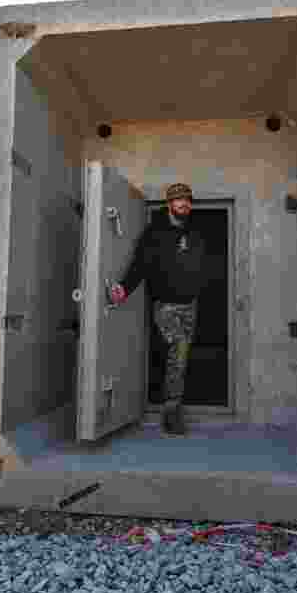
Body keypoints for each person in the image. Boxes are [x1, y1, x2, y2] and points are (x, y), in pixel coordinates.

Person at [108, 182, 207, 435]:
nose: (184, 203)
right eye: (178, 200)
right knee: (179, 351)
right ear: (169, 204)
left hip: (190, 306)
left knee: (179, 358)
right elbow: (139, 264)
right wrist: (124, 288)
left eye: (187, 199)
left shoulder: (196, 232)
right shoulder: (155, 233)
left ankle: (172, 405)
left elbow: (200, 265)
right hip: (167, 306)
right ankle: (171, 413)